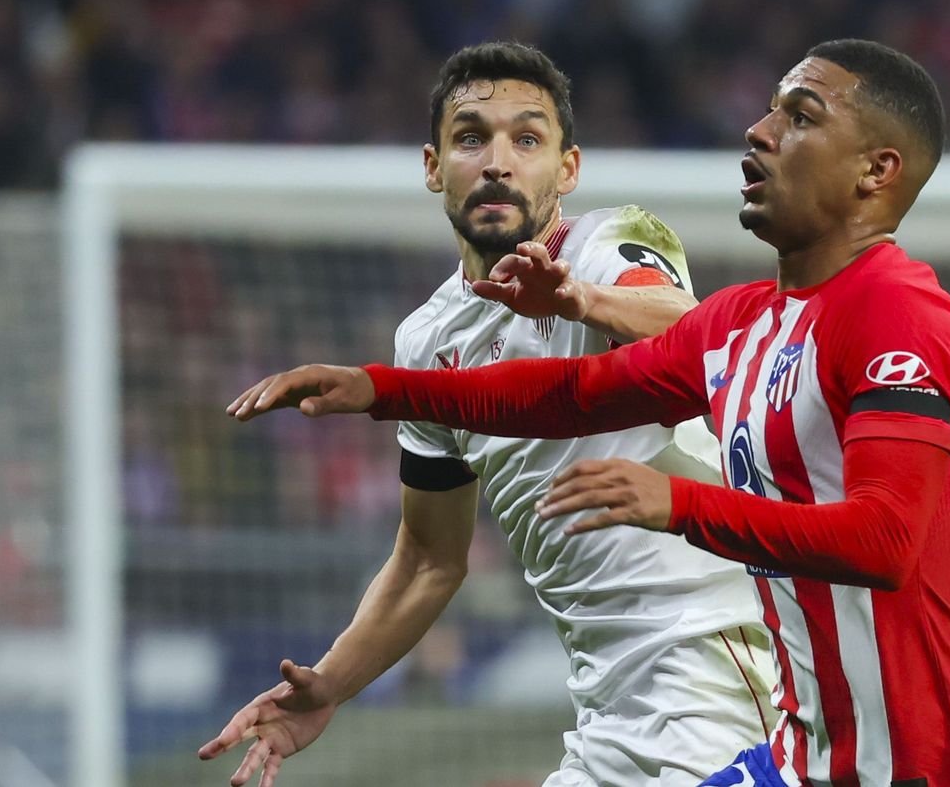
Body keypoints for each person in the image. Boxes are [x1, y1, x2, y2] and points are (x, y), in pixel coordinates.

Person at [229, 39, 950, 787]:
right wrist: (380, 389)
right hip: (790, 748)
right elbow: (571, 398)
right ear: (434, 164)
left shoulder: (883, 306)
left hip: (861, 734)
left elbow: (886, 539)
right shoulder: (750, 320)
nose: (756, 130)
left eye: (797, 116)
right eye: (473, 138)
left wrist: (674, 499)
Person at [201, 42, 774, 787]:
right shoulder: (428, 339)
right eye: (472, 137)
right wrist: (332, 683)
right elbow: (429, 557)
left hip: (716, 679)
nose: (498, 161)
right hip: (609, 709)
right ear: (434, 166)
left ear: (567, 169)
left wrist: (582, 301)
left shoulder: (605, 247)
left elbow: (701, 336)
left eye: (527, 138)